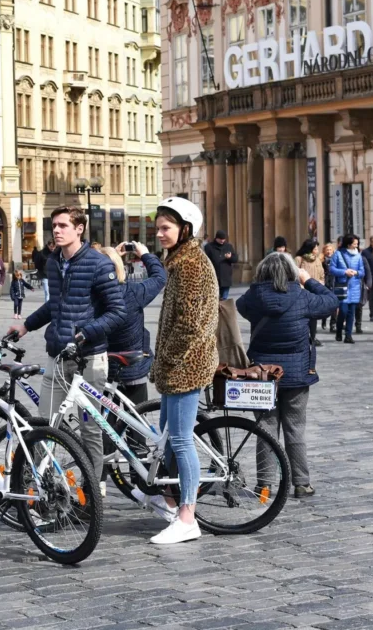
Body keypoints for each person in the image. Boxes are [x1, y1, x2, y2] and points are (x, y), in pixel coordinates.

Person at [10, 206, 125, 500]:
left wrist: (87, 332)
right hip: (58, 356)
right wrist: (26, 326)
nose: (57, 231)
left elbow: (117, 311)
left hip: (89, 360)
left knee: (89, 429)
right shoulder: (54, 262)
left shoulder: (98, 265)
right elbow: (55, 306)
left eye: (63, 225)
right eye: (54, 226)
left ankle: (93, 490)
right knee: (43, 424)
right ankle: (36, 489)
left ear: (79, 229)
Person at [236, 253, 338, 500]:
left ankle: (265, 486)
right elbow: (331, 301)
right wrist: (308, 279)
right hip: (296, 374)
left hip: (263, 375)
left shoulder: (254, 296)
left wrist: (259, 284)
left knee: (265, 429)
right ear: (292, 272)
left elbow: (240, 305)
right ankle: (302, 484)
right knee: (295, 428)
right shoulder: (302, 297)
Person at [144, 197, 216, 544]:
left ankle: (188, 516)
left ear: (185, 229)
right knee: (166, 435)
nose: (159, 233)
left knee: (181, 440)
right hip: (177, 364)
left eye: (165, 228)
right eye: (157, 227)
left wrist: (166, 359)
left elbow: (190, 325)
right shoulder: (178, 261)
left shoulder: (190, 266)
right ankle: (170, 500)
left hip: (188, 364)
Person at [100, 242, 166, 408]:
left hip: (104, 366)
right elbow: (159, 277)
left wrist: (108, 257)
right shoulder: (133, 292)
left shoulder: (93, 295)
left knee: (107, 423)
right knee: (136, 420)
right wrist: (144, 254)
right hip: (134, 366)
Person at [328, 234, 365, 344]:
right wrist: (344, 272)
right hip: (342, 287)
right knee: (343, 311)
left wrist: (356, 272)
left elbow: (362, 271)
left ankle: (348, 335)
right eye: (355, 243)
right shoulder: (338, 254)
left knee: (351, 313)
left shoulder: (358, 256)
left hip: (354, 287)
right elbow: (332, 269)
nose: (357, 245)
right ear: (348, 244)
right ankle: (339, 330)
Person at [294, 239, 325, 347]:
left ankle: (312, 336)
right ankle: (302, 337)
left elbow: (322, 273)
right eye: (315, 248)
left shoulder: (317, 260)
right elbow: (293, 274)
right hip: (302, 292)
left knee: (313, 316)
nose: (317, 250)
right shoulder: (299, 259)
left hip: (315, 292)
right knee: (302, 316)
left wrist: (321, 282)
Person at [204, 230, 237, 300]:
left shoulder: (229, 246)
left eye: (224, 239)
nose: (222, 241)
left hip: (226, 276)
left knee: (224, 299)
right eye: (221, 239)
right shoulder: (209, 247)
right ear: (216, 238)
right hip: (214, 276)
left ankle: (222, 310)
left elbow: (235, 259)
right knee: (214, 298)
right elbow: (205, 260)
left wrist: (230, 257)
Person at [361, 235, 373, 330]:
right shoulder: (365, 252)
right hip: (370, 277)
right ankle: (372, 314)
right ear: (371, 242)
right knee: (371, 297)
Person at [320, 241, 337, 333]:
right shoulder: (321, 261)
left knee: (334, 304)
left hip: (334, 283)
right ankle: (324, 320)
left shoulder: (336, 259)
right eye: (327, 250)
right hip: (325, 283)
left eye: (330, 250)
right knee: (326, 304)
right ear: (324, 251)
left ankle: (333, 324)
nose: (329, 251)